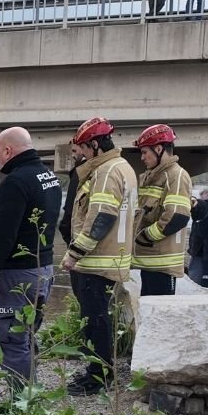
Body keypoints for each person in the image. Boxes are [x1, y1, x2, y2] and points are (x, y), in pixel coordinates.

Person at [0, 127, 62, 388]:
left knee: (10, 338)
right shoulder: (49, 176)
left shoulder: (16, 182)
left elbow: (3, 234)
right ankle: (29, 396)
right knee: (25, 336)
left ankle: (21, 406)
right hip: (42, 269)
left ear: (7, 150)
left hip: (16, 275)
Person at [62, 117, 137, 396]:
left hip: (96, 261)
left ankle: (99, 377)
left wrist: (74, 252)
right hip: (110, 258)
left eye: (82, 147)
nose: (79, 153)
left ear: (94, 144)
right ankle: (98, 371)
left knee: (95, 319)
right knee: (99, 317)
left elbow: (101, 217)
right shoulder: (123, 168)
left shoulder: (106, 171)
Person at [131, 124, 192, 295]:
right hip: (149, 261)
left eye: (144, 152)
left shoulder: (176, 175)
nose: (142, 158)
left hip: (162, 265)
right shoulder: (153, 176)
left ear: (159, 149)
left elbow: (177, 217)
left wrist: (145, 237)